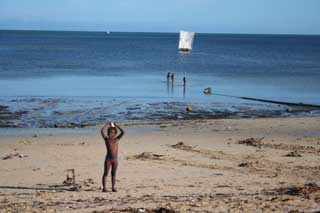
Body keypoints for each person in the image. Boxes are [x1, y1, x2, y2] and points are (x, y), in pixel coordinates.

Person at [101, 122, 125, 192]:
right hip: (108, 159)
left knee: (113, 174)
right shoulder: (106, 139)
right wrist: (106, 125)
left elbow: (123, 132)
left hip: (115, 159)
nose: (111, 134)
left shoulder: (117, 139)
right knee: (106, 173)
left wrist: (117, 125)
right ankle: (104, 188)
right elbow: (102, 131)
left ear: (115, 133)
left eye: (113, 132)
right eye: (110, 132)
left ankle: (113, 187)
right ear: (108, 133)